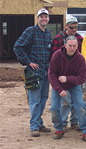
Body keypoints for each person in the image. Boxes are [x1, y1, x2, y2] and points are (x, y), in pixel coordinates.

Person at [13, 8, 52, 137]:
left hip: (46, 73)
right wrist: (28, 62)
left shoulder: (48, 34)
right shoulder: (30, 31)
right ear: (37, 18)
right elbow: (18, 47)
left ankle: (39, 123)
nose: (44, 19)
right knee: (34, 100)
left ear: (48, 18)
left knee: (43, 99)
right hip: (34, 73)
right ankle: (34, 126)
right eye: (41, 17)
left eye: (45, 17)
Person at [48, 36, 86, 142]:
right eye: (70, 46)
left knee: (81, 106)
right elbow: (51, 74)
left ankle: (85, 131)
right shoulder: (57, 56)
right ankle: (59, 128)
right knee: (54, 108)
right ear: (65, 45)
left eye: (74, 46)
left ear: (77, 46)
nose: (72, 48)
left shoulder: (80, 58)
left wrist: (67, 79)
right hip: (58, 84)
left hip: (74, 84)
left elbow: (82, 78)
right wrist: (59, 89)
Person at [50, 15, 84, 132]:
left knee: (77, 102)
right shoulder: (57, 39)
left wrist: (72, 77)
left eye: (76, 27)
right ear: (66, 26)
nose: (74, 30)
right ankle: (63, 123)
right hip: (60, 78)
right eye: (71, 27)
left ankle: (74, 122)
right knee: (65, 102)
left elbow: (81, 59)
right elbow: (54, 63)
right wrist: (60, 83)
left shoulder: (80, 39)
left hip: (73, 78)